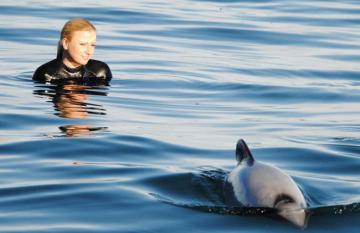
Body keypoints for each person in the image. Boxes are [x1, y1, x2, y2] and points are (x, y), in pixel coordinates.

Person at [33, 18, 112, 84]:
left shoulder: (100, 71)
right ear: (65, 43)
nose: (89, 51)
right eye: (82, 44)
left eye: (92, 45)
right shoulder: (46, 74)